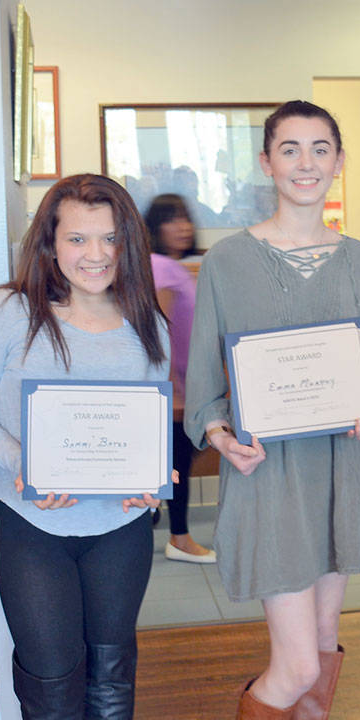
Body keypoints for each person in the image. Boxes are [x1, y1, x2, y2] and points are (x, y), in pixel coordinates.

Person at [185, 100, 360, 720]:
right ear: (265, 163)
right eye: (289, 149)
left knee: (326, 644)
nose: (305, 163)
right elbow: (202, 394)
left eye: (319, 149)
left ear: (339, 161)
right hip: (270, 477)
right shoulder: (226, 261)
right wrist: (221, 437)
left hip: (342, 472)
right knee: (298, 661)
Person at [0, 174, 169, 720]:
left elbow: (147, 424)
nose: (95, 254)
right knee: (51, 674)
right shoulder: (8, 313)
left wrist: (152, 480)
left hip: (119, 530)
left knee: (111, 668)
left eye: (110, 238)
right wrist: (25, 466)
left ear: (129, 244)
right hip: (31, 526)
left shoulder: (146, 322)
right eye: (78, 238)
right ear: (50, 244)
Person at [144, 193, 215, 563]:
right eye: (171, 219)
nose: (182, 226)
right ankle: (180, 538)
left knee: (175, 460)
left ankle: (161, 522)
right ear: (155, 229)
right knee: (176, 462)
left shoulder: (175, 266)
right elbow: (160, 330)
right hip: (172, 389)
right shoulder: (160, 266)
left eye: (185, 218)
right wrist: (172, 389)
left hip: (183, 384)